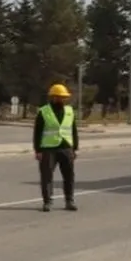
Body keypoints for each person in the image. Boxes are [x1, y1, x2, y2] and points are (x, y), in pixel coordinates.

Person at [33, 83, 79, 212]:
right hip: (48, 149)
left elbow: (73, 131)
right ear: (52, 97)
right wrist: (38, 150)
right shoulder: (44, 111)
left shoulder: (70, 111)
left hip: (66, 148)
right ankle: (47, 202)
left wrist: (75, 148)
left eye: (63, 97)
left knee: (69, 176)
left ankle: (69, 201)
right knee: (47, 176)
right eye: (58, 97)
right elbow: (38, 132)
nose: (61, 99)